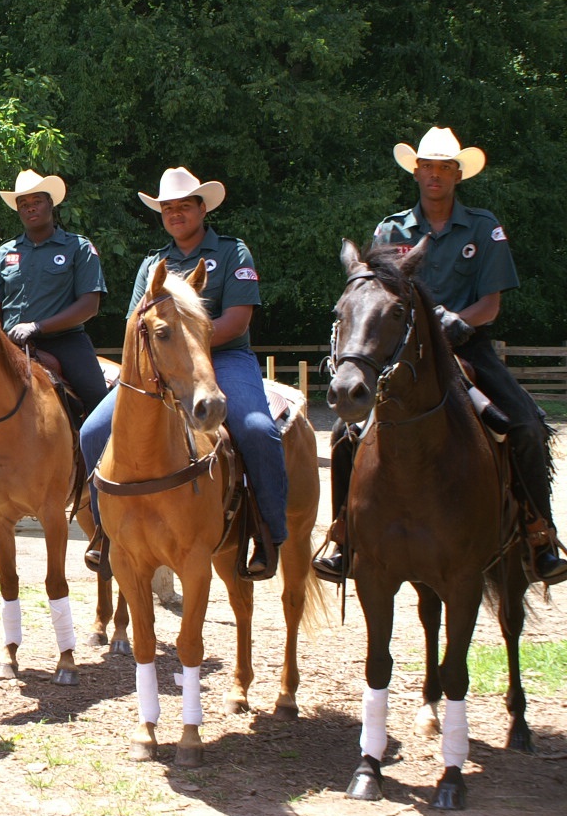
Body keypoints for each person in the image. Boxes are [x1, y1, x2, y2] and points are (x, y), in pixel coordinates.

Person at [315, 127, 567, 584]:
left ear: (457, 174)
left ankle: (538, 532)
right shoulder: (391, 229)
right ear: (415, 171)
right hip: (402, 352)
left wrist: (453, 322)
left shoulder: (482, 226)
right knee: (342, 432)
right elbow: (373, 296)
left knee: (527, 424)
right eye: (427, 166)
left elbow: (491, 304)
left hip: (467, 344)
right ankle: (343, 534)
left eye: (444, 167)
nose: (435, 174)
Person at [78, 168, 287, 577]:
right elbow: (135, 326)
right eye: (168, 208)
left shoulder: (232, 252)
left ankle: (267, 532)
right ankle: (106, 532)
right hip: (159, 365)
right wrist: (166, 355)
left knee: (258, 429)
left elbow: (238, 320)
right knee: (92, 433)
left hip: (223, 357)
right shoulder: (152, 264)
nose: (175, 214)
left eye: (184, 206)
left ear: (201, 208)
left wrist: (188, 347)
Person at [0, 169, 109, 415]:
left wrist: (37, 326)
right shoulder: (3, 253)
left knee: (98, 400)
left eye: (37, 201)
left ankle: (102, 454)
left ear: (50, 204)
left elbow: (89, 305)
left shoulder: (78, 247)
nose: (30, 208)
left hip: (65, 342)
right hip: (11, 344)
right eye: (23, 203)